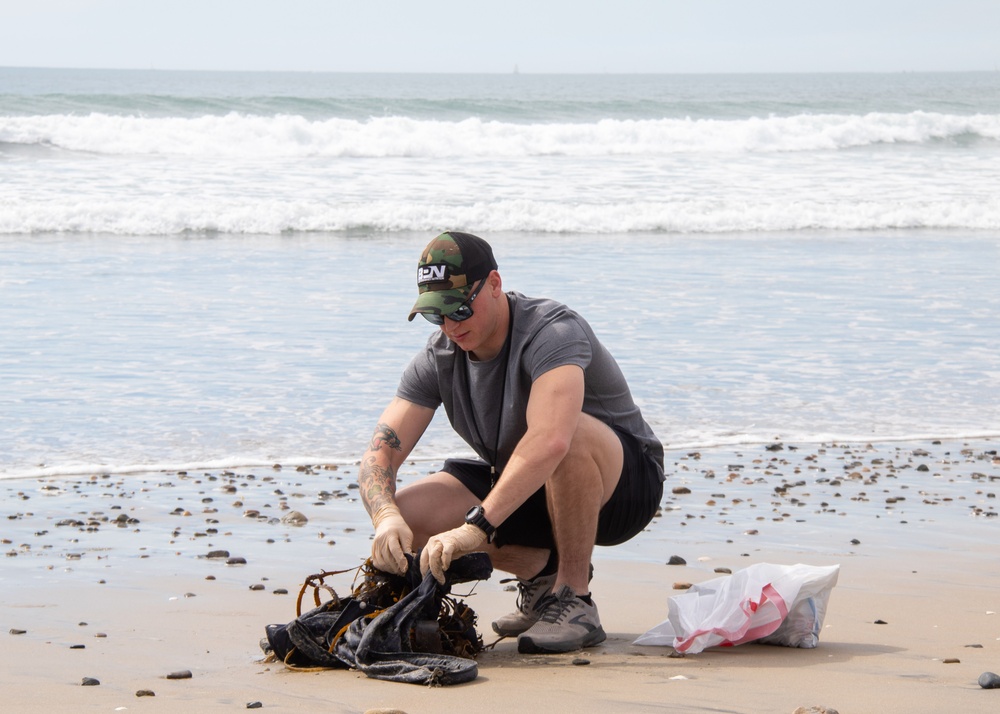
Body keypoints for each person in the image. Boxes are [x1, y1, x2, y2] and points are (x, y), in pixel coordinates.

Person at [358, 231, 665, 654]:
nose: (451, 325)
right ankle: (542, 577)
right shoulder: (438, 357)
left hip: (623, 487)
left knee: (565, 433)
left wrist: (474, 528)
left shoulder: (552, 331)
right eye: (437, 315)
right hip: (532, 487)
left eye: (460, 308)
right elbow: (381, 451)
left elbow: (550, 439)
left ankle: (575, 597)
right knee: (411, 517)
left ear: (495, 285)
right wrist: (386, 516)